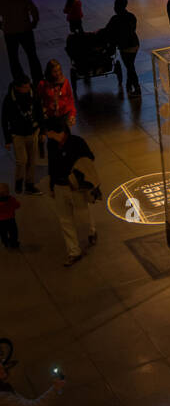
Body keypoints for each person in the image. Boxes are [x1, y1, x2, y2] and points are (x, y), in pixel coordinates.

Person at [45, 119, 101, 267]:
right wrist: (52, 185)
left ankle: (91, 230)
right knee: (65, 219)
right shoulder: (51, 144)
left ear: (57, 132)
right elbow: (51, 165)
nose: (46, 134)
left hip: (76, 187)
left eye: (48, 131)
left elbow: (90, 158)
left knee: (82, 214)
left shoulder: (77, 142)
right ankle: (74, 251)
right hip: (59, 186)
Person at [2, 75, 41, 194]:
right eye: (25, 87)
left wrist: (42, 130)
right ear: (17, 88)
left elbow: (39, 111)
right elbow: (4, 119)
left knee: (32, 160)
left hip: (33, 132)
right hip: (18, 134)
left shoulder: (33, 94)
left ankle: (29, 185)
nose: (28, 88)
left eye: (29, 85)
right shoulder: (9, 99)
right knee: (22, 160)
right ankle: (19, 183)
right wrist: (8, 140)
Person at [0, 0, 41, 85]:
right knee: (32, 55)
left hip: (10, 32)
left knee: (13, 57)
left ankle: (19, 78)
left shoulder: (2, 1)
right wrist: (34, 23)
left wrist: (2, 26)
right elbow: (34, 11)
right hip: (25, 30)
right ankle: (38, 78)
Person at [103, 0, 141, 97]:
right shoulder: (131, 16)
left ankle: (137, 88)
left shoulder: (115, 19)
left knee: (130, 68)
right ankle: (129, 86)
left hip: (125, 47)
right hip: (135, 44)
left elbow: (108, 31)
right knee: (130, 66)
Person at [37, 59, 76, 126]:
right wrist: (44, 111)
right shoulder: (43, 84)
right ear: (49, 72)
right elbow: (38, 100)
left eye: (59, 70)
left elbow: (70, 99)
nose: (58, 73)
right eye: (55, 71)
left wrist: (72, 114)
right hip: (50, 117)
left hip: (65, 115)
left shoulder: (65, 82)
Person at [0, 182, 20, 250]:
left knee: (3, 233)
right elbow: (17, 205)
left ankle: (5, 242)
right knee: (13, 232)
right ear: (8, 192)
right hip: (10, 220)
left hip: (1, 221)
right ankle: (14, 243)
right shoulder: (11, 199)